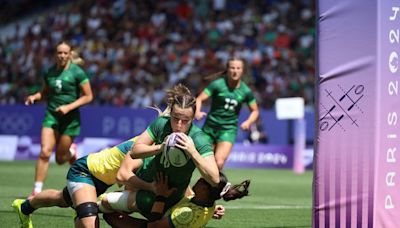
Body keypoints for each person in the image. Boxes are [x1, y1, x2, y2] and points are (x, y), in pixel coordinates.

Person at [101, 83, 219, 219]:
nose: (179, 125)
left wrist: (192, 152)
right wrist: (161, 147)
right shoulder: (161, 125)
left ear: (192, 119)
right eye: (175, 118)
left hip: (172, 199)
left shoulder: (199, 139)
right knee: (106, 207)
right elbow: (134, 152)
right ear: (170, 114)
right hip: (144, 193)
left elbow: (215, 179)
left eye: (185, 120)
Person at [11, 136, 154, 228]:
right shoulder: (144, 146)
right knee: (89, 221)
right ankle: (82, 209)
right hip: (85, 171)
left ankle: (24, 207)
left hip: (101, 182)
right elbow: (122, 178)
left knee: (61, 198)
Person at [24, 41, 93, 198]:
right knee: (44, 152)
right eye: (59, 53)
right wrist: (35, 96)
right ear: (55, 55)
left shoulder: (78, 73)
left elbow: (89, 96)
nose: (62, 56)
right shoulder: (49, 72)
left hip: (70, 120)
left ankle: (70, 152)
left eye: (65, 53)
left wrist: (69, 107)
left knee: (60, 159)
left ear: (69, 54)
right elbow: (45, 93)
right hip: (52, 116)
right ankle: (36, 190)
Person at [103, 172, 250, 228]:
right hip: (163, 221)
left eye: (202, 179)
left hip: (155, 226)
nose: (199, 178)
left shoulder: (186, 213)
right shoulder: (208, 202)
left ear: (205, 190)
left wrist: (160, 195)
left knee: (111, 216)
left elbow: (154, 227)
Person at [195, 57, 260, 170]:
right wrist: (197, 112)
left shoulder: (246, 91)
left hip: (228, 129)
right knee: (204, 162)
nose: (235, 71)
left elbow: (255, 111)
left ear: (242, 70)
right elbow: (199, 99)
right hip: (210, 128)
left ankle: (210, 185)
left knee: (219, 162)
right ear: (228, 69)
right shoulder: (217, 85)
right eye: (232, 68)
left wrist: (248, 122)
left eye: (238, 68)